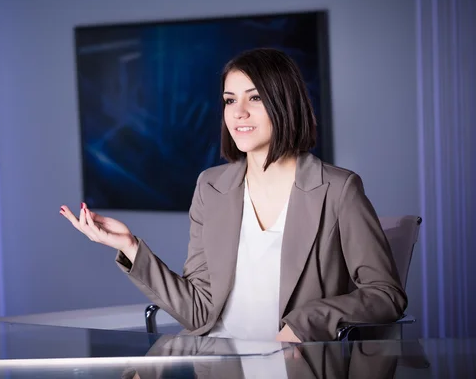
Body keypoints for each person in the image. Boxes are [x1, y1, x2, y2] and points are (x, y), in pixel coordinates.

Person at [60, 48, 407, 343]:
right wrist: (129, 247)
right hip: (213, 361)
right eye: (230, 100)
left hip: (295, 365)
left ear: (284, 104)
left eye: (254, 98)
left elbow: (385, 296)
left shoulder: (338, 188)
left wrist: (307, 321)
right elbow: (198, 311)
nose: (238, 112)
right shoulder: (210, 187)